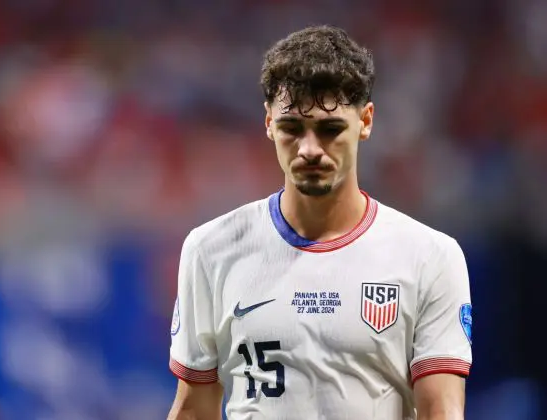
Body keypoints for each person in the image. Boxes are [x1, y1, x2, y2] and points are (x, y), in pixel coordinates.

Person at [167, 25, 472, 420]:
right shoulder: (209, 249)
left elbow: (441, 412)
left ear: (365, 121)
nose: (310, 149)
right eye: (292, 128)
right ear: (268, 123)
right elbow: (193, 409)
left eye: (330, 130)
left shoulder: (430, 257)